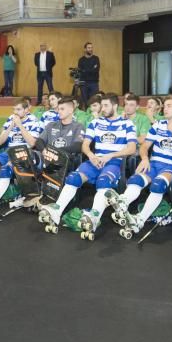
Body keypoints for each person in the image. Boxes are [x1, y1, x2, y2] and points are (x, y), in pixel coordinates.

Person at [37, 94, 136, 239]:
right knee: (73, 178)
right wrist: (91, 155)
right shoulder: (95, 123)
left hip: (114, 162)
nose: (103, 109)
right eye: (102, 106)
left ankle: (94, 216)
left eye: (106, 106)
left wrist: (110, 155)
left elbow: (132, 149)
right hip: (94, 160)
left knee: (103, 182)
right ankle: (56, 212)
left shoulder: (127, 124)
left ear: (115, 106)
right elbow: (85, 145)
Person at [106, 94, 172, 236]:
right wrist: (144, 158)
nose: (164, 109)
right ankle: (123, 203)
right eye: (164, 106)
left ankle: (140, 220)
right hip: (153, 164)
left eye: (169, 106)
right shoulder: (158, 124)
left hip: (171, 166)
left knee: (158, 185)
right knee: (135, 180)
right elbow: (144, 146)